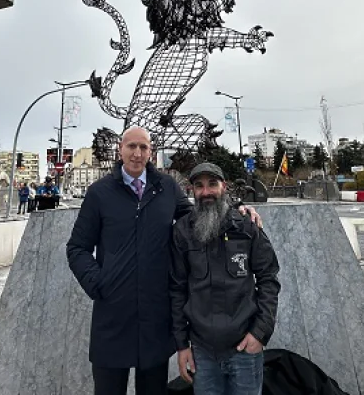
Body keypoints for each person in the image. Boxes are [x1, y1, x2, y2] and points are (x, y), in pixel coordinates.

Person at [66, 126, 262, 395]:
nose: (137, 153)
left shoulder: (166, 188)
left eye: (143, 147)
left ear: (151, 152)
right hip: (112, 318)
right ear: (120, 149)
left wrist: (236, 211)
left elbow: (198, 217)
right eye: (131, 146)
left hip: (154, 321)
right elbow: (77, 248)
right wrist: (99, 283)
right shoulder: (100, 193)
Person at [170, 163, 280, 395]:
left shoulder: (247, 226)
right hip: (202, 352)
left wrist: (260, 333)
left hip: (244, 349)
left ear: (224, 186)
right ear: (192, 191)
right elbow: (177, 289)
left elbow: (269, 279)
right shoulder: (182, 231)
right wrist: (182, 345)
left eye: (212, 184)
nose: (206, 192)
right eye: (199, 186)